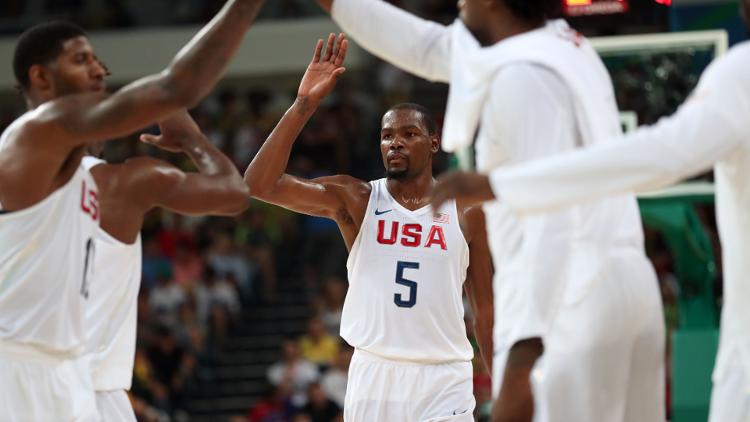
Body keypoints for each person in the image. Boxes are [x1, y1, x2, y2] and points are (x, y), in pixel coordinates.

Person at [314, 1, 664, 421]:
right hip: (630, 282)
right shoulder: (567, 47)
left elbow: (556, 222)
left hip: (578, 293)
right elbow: (424, 46)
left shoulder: (522, 76)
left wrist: (521, 352)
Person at [431, 2, 750, 421]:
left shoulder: (740, 75)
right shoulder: (562, 56)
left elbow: (661, 154)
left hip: (590, 295)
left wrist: (503, 183)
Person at [0, 1, 263, 418]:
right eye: (81, 60)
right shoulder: (35, 136)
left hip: (62, 369)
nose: (99, 72)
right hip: (21, 366)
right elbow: (177, 89)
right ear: (41, 78)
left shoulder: (79, 176)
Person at [245, 34, 493, 421]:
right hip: (373, 373)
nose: (395, 143)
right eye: (387, 135)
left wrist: (505, 389)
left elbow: (486, 311)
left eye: (408, 134)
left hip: (444, 377)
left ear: (433, 142)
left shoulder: (467, 211)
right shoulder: (356, 199)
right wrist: (303, 104)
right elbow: (259, 184)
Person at [82, 109, 248, 420]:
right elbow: (233, 194)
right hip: (87, 390)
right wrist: (191, 140)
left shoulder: (13, 177)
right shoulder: (121, 181)